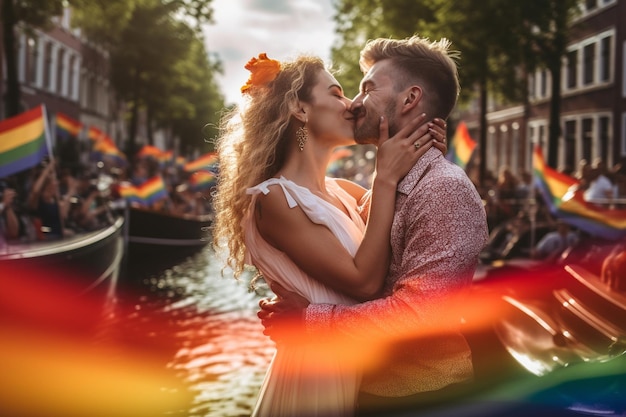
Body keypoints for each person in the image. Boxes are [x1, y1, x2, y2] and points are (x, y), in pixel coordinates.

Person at [258, 35, 489, 416]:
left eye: (367, 88)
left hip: (422, 397)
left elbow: (420, 318)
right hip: (367, 390)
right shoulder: (387, 187)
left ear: (409, 100)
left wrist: (309, 319)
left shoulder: (444, 190)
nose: (355, 103)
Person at [211, 51, 448, 417]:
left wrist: (426, 152)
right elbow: (365, 283)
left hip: (363, 369)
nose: (352, 104)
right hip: (318, 375)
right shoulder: (274, 197)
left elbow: (405, 218)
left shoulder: (342, 190)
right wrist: (383, 178)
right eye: (336, 93)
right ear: (300, 110)